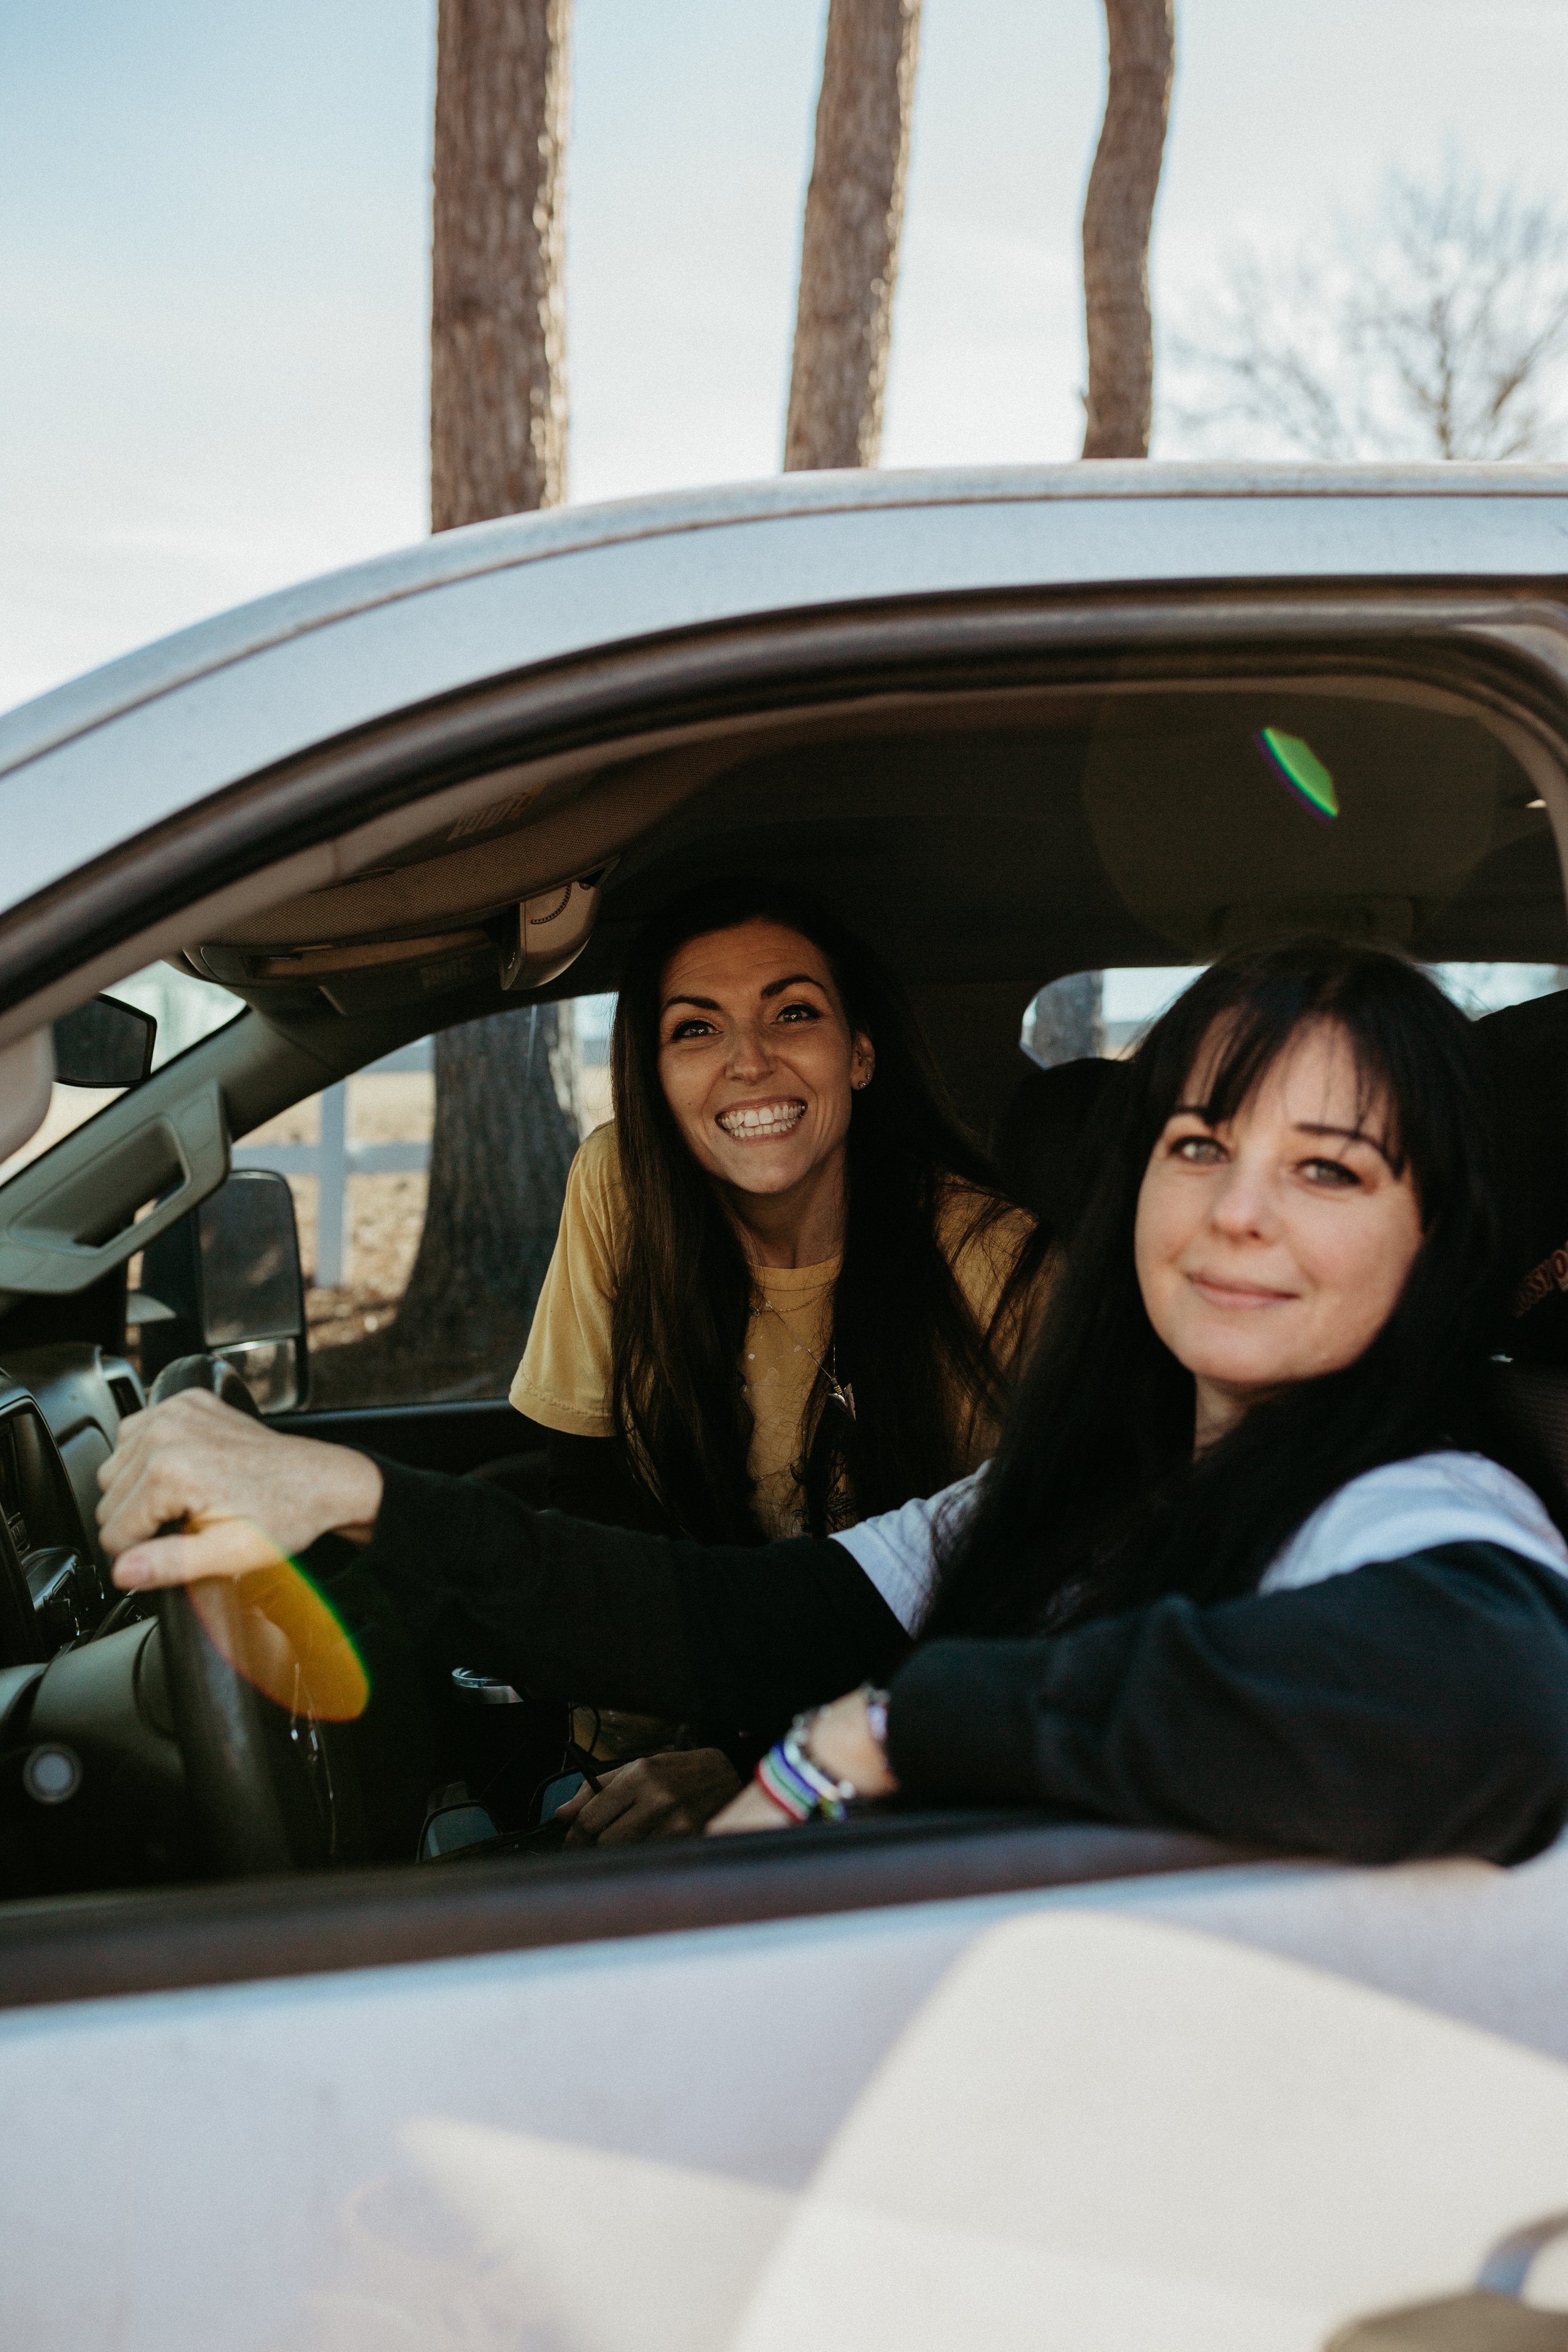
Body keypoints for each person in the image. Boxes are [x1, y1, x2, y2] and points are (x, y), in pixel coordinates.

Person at [100, 940, 1568, 1865]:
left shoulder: (1418, 1500)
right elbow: (729, 1620)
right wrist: (351, 1497)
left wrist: (887, 1730)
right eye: (1197, 1147)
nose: (1237, 1213)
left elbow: (1486, 1702)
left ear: (1430, 1235)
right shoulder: (1095, 1478)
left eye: (1326, 1169)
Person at [505, 877, 1046, 1839]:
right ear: (653, 1073)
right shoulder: (619, 1187)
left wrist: (754, 1759)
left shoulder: (995, 1260)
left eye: (793, 1013)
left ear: (861, 1052)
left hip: (894, 1775)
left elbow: (1021, 1593)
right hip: (642, 1734)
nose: (749, 1062)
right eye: (696, 1029)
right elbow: (586, 1479)